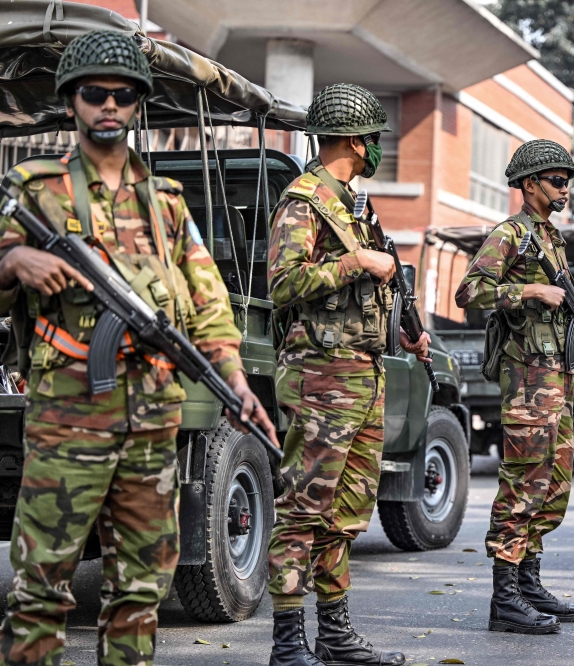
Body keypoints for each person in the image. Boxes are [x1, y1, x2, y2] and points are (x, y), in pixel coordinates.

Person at [0, 30, 277, 666]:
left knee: (140, 593)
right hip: (68, 422)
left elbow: (207, 304)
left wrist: (234, 381)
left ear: (138, 105)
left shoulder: (168, 204)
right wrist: (16, 258)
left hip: (153, 427)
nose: (109, 105)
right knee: (40, 589)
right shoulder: (34, 189)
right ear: (72, 101)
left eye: (123, 95)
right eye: (94, 92)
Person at [266, 83, 429, 666]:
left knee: (347, 511)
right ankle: (288, 643)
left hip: (363, 372)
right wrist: (354, 261)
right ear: (357, 140)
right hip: (320, 376)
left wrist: (407, 328)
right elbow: (281, 285)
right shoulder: (304, 201)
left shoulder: (355, 206)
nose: (377, 148)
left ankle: (334, 633)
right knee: (305, 507)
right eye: (374, 139)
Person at [455, 139, 574, 634]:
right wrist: (529, 289)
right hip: (528, 379)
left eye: (568, 180)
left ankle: (529, 584)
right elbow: (468, 292)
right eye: (556, 179)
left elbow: (572, 320)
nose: (565, 188)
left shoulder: (551, 238)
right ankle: (504, 598)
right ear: (529, 184)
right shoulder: (510, 234)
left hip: (557, 379)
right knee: (523, 482)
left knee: (553, 484)